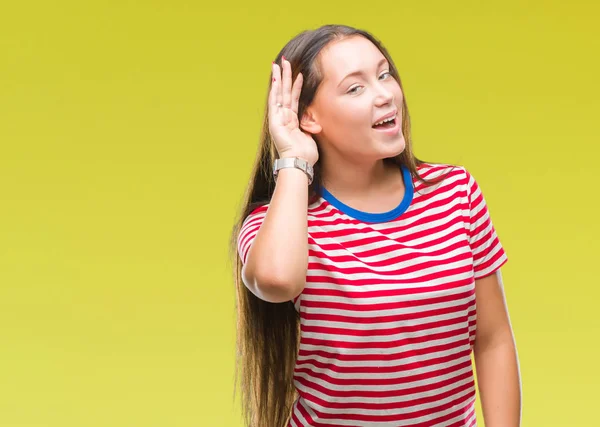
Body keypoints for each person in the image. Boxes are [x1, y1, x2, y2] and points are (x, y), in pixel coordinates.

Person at [230, 24, 521, 427]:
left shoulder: (456, 192)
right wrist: (294, 157)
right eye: (355, 88)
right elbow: (276, 281)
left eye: (384, 74)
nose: (386, 95)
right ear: (308, 117)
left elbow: (492, 339)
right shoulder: (279, 221)